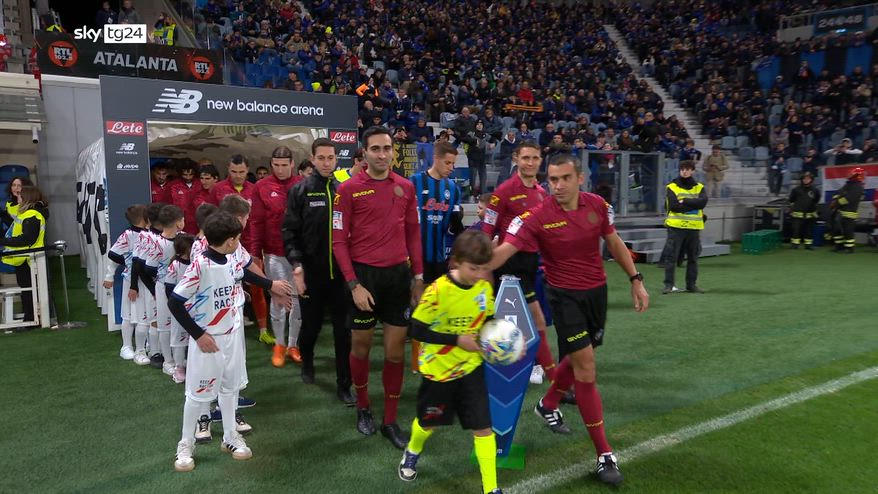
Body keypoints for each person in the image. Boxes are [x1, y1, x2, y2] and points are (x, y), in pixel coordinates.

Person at [490, 153, 649, 486]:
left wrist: (635, 279)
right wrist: (470, 268)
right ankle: (605, 454)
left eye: (564, 178)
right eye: (553, 179)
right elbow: (505, 250)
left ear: (580, 178)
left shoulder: (597, 206)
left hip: (596, 294)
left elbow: (613, 241)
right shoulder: (538, 216)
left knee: (582, 356)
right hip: (563, 298)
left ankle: (548, 403)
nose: (558, 185)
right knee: (586, 369)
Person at [332, 126, 424, 449]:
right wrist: (353, 284)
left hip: (398, 278)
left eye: (387, 148)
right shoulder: (347, 190)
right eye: (375, 149)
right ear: (364, 153)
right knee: (360, 348)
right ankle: (363, 407)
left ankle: (390, 420)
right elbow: (338, 241)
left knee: (395, 353)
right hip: (363, 278)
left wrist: (418, 278)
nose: (382, 154)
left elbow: (413, 234)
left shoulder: (406, 187)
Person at [398, 230, 500, 494]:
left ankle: (491, 488)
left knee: (483, 428)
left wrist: (503, 342)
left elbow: (488, 321)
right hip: (439, 372)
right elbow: (416, 330)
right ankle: (412, 450)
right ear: (456, 261)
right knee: (428, 423)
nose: (479, 274)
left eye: (484, 268)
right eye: (473, 268)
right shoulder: (438, 291)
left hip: (471, 369)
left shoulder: (484, 288)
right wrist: (456, 340)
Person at [169, 212, 271, 472]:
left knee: (230, 388)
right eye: (238, 238)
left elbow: (244, 275)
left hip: (232, 337)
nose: (239, 242)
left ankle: (230, 436)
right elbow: (175, 302)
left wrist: (271, 285)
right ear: (230, 241)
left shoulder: (230, 260)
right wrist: (198, 334)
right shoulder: (200, 266)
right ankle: (185, 444)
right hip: (208, 340)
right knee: (196, 395)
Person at [480, 141, 558, 385]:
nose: (530, 163)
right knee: (502, 318)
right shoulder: (504, 191)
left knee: (535, 319)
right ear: (516, 159)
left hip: (531, 263)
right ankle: (493, 367)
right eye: (526, 158)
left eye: (535, 158)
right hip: (508, 263)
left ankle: (538, 368)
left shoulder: (542, 193)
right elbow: (487, 228)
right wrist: (483, 265)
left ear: (541, 160)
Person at [283, 138, 353, 403]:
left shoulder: (343, 190)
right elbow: (289, 232)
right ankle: (308, 361)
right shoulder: (300, 191)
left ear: (336, 159)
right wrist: (297, 265)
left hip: (342, 277)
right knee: (311, 327)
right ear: (312, 159)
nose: (326, 162)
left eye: (330, 158)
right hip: (311, 275)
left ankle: (344, 384)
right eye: (321, 158)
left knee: (343, 332)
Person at [211, 154, 274, 346]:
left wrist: (258, 247)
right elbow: (211, 217)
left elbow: (260, 219)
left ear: (247, 170)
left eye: (241, 171)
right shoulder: (218, 189)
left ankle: (263, 330)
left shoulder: (255, 189)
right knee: (223, 287)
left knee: (257, 286)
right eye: (234, 171)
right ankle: (223, 325)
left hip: (250, 244)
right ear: (228, 169)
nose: (238, 175)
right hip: (225, 245)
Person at [250, 146, 303, 367]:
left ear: (292, 164)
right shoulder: (261, 187)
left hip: (299, 254)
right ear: (271, 164)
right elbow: (256, 221)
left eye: (284, 165)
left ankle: (293, 345)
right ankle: (279, 344)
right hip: (273, 252)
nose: (280, 169)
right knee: (278, 297)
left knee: (298, 300)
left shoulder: (303, 184)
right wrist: (255, 253)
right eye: (276, 165)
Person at [103, 204, 148, 360]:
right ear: (143, 218)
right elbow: (113, 255)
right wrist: (109, 276)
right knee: (128, 314)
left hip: (148, 280)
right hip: (131, 280)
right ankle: (126, 346)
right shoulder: (128, 235)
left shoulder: (151, 234)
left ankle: (146, 345)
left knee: (147, 314)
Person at [145, 205, 185, 377]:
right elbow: (148, 268)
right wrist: (163, 277)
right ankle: (168, 361)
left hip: (183, 287)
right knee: (164, 325)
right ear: (178, 223)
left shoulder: (184, 239)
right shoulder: (158, 243)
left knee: (180, 324)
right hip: (163, 287)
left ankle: (180, 360)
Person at [662, 160, 708, 294]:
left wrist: (685, 201)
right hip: (676, 227)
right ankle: (669, 285)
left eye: (687, 169)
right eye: (682, 169)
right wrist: (694, 205)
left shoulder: (699, 187)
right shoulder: (671, 187)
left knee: (693, 258)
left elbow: (702, 203)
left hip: (693, 228)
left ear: (692, 171)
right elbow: (674, 206)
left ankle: (691, 285)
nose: (684, 171)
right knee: (671, 257)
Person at [165, 233, 195, 383]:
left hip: (196, 307)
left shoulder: (196, 263)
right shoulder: (175, 265)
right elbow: (168, 289)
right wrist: (177, 306)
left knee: (194, 337)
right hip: (180, 309)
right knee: (179, 339)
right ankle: (179, 367)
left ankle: (193, 365)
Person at [829, 167, 865, 253]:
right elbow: (838, 193)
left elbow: (850, 198)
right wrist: (835, 199)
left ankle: (849, 248)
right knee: (837, 230)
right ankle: (839, 246)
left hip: (849, 213)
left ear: (856, 175)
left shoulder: (857, 186)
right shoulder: (849, 184)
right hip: (841, 212)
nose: (848, 174)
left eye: (851, 173)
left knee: (848, 231)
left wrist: (836, 203)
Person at [788, 172, 820, 249]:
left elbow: (816, 200)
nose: (806, 180)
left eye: (808, 179)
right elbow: (791, 200)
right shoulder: (796, 190)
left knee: (809, 230)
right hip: (797, 214)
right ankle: (795, 244)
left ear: (811, 180)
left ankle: (808, 245)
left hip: (809, 214)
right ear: (801, 180)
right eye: (804, 179)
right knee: (796, 230)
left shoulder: (815, 190)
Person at [169, 160, 199, 234]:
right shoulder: (173, 185)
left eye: (190, 174)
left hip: (197, 223)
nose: (188, 177)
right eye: (185, 175)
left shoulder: (200, 184)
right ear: (180, 173)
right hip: (179, 223)